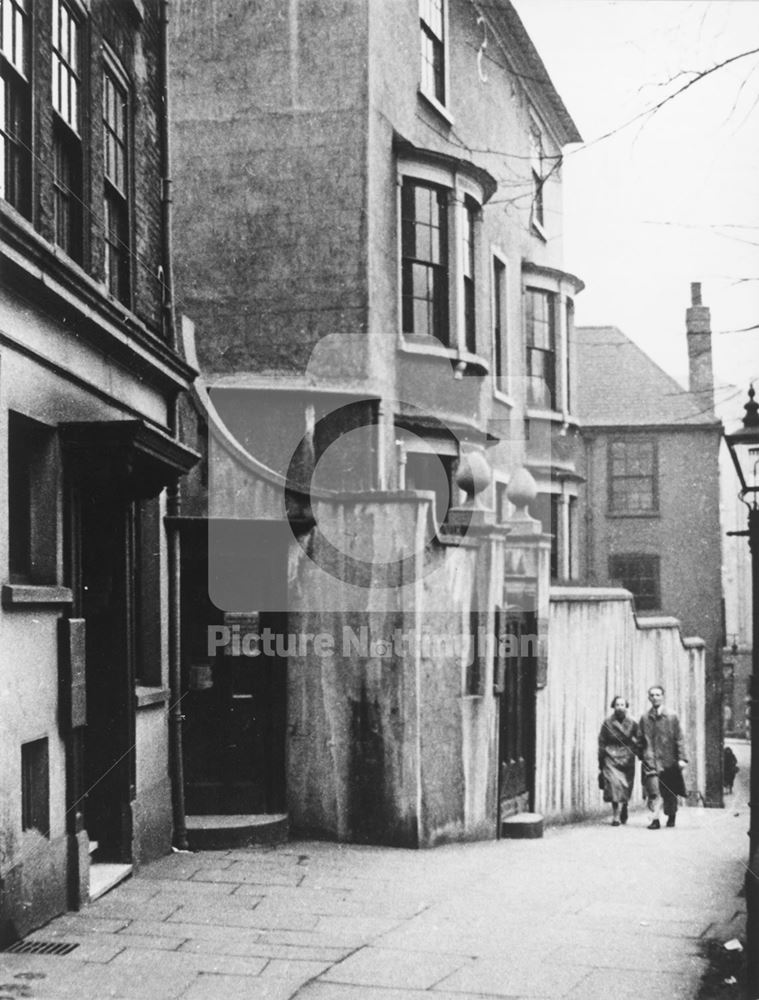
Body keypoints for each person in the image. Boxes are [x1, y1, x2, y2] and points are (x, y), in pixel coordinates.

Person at [639, 685, 688, 829]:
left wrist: (682, 758)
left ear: (663, 696)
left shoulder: (672, 716)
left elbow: (679, 738)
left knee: (670, 791)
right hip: (650, 760)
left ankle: (671, 816)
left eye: (658, 695)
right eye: (652, 695)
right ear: (649, 698)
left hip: (669, 759)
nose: (655, 697)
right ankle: (655, 820)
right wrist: (641, 753)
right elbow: (639, 738)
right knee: (653, 791)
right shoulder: (644, 718)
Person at [598, 696, 641, 826]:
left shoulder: (633, 722)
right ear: (613, 706)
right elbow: (602, 741)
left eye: (622, 705)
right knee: (613, 785)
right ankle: (616, 815)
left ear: (626, 706)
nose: (620, 707)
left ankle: (625, 806)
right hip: (611, 755)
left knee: (625, 785)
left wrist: (637, 751)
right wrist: (601, 758)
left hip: (627, 756)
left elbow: (639, 738)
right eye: (617, 705)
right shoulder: (607, 722)